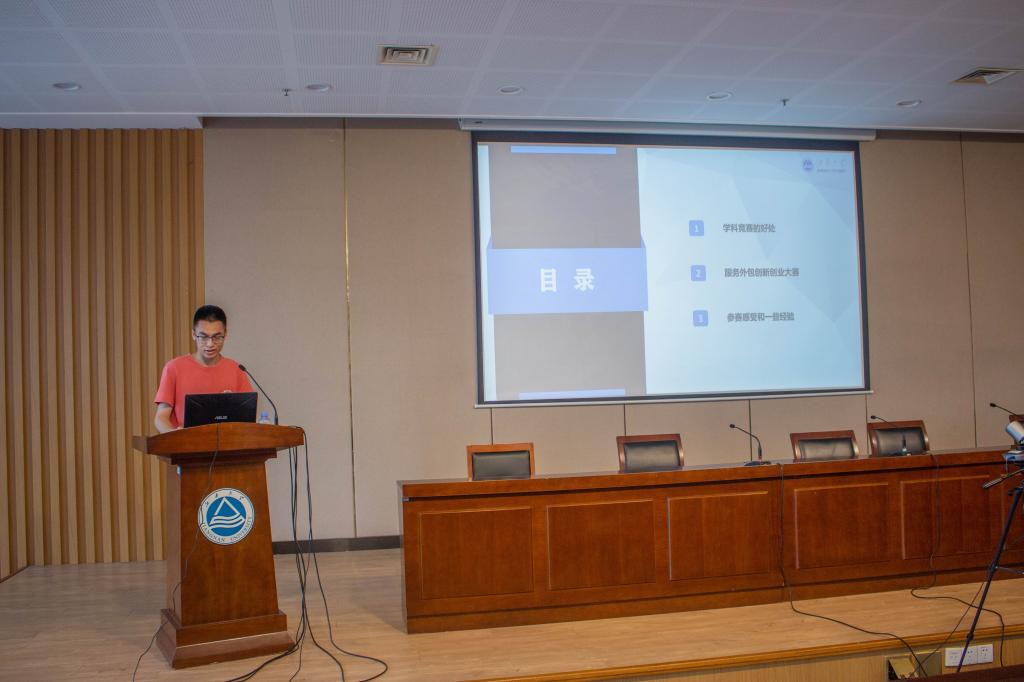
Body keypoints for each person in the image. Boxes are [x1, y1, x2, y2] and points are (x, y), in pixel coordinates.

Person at [153, 304, 252, 433]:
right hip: (186, 443)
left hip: (227, 443)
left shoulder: (236, 369)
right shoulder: (174, 368)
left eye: (217, 337)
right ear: (194, 334)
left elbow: (248, 417)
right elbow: (161, 417)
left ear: (226, 334)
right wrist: (174, 436)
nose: (210, 344)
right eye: (204, 337)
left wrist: (232, 405)